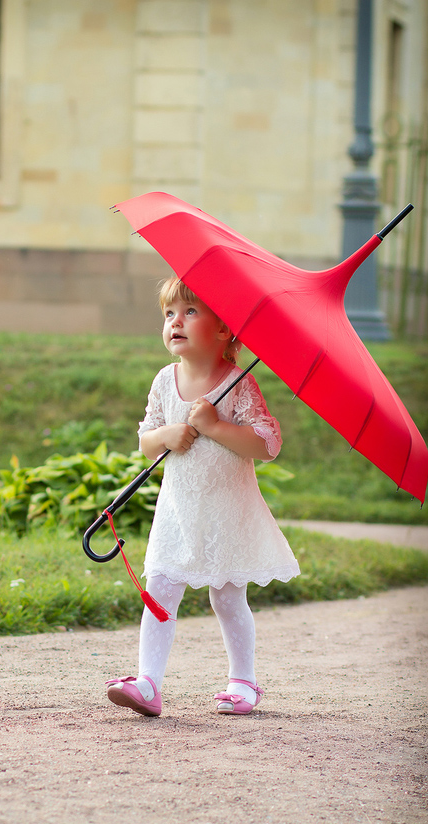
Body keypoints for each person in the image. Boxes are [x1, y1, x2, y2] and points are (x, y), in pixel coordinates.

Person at [106, 279, 299, 718]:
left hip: (227, 512)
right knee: (160, 590)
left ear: (224, 329)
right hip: (178, 511)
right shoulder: (163, 380)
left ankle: (243, 680)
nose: (175, 321)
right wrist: (166, 436)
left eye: (190, 312)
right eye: (169, 313)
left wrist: (215, 426)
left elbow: (266, 445)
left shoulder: (237, 384)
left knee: (227, 598)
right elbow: (146, 441)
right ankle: (148, 683)